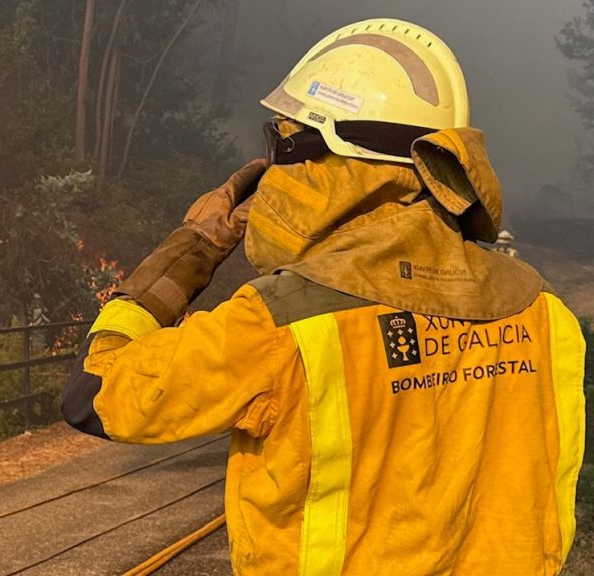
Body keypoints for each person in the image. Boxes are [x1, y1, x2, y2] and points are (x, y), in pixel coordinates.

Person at [62, 18, 586, 575]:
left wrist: (192, 248)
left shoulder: (279, 324)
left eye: (281, 142)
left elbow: (96, 393)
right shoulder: (544, 311)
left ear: (321, 155)